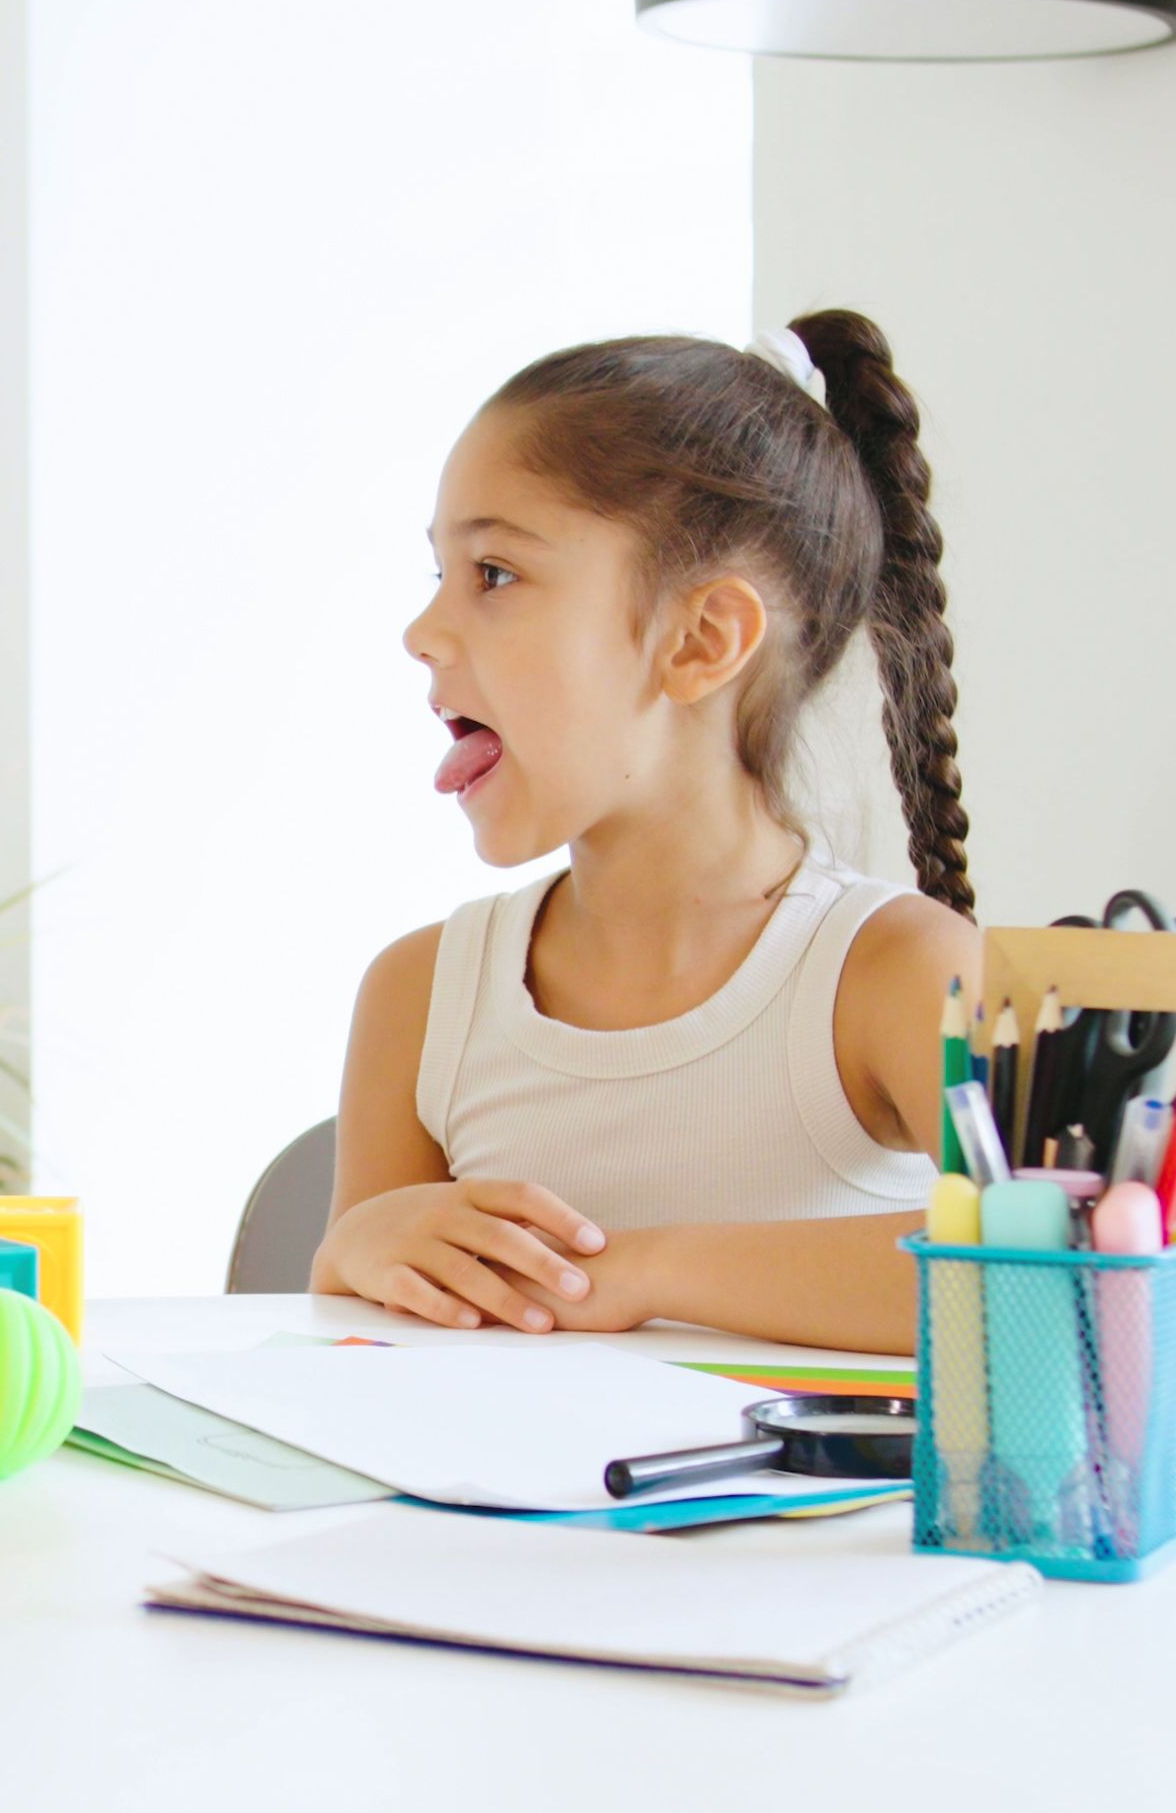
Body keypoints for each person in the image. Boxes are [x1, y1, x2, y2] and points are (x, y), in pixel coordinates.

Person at [310, 313, 976, 1356]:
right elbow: (355, 1341)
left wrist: (641, 1270)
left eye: (491, 574)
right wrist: (359, 1244)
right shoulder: (417, 994)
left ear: (702, 640)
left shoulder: (891, 973)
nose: (421, 631)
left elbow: (1065, 1282)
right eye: (435, 575)